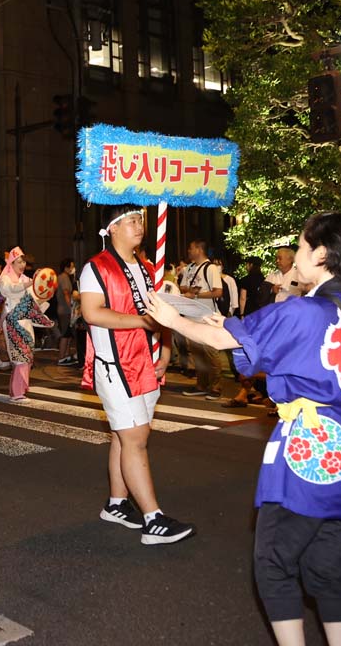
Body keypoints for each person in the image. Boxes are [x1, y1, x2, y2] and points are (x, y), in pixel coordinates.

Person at [146, 212, 341, 645]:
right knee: (327, 570)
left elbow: (225, 342)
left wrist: (170, 317)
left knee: (274, 563)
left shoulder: (303, 309)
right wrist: (232, 330)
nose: (295, 255)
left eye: (302, 246)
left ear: (323, 254)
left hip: (313, 450)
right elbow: (261, 340)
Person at [81, 206, 193, 546]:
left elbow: (162, 313)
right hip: (116, 365)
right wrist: (142, 322)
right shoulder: (95, 268)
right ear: (112, 229)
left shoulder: (148, 268)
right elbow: (92, 312)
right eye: (131, 220)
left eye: (140, 219)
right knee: (135, 440)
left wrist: (167, 349)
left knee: (121, 436)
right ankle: (152, 517)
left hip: (146, 363)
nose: (139, 226)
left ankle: (117, 504)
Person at [0, 247, 52, 402]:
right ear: (11, 263)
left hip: (25, 321)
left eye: (23, 261)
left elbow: (35, 297)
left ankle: (19, 390)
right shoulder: (6, 279)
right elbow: (9, 290)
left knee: (27, 355)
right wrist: (32, 283)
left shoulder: (26, 279)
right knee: (20, 356)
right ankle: (17, 393)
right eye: (18, 262)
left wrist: (44, 289)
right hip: (13, 321)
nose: (22, 264)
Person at [178, 239, 226, 399]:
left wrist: (197, 294)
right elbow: (182, 287)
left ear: (199, 249)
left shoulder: (210, 268)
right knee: (197, 353)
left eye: (191, 248)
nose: (189, 251)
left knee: (210, 352)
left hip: (206, 317)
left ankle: (216, 386)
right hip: (191, 316)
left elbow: (218, 292)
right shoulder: (190, 268)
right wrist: (189, 290)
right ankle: (201, 384)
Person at [56, 258, 77, 366]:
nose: (72, 268)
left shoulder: (66, 277)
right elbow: (66, 293)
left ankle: (66, 355)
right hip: (65, 310)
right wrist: (72, 306)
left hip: (65, 310)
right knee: (65, 334)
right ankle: (61, 357)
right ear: (66, 267)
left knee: (68, 334)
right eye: (71, 266)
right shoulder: (63, 277)